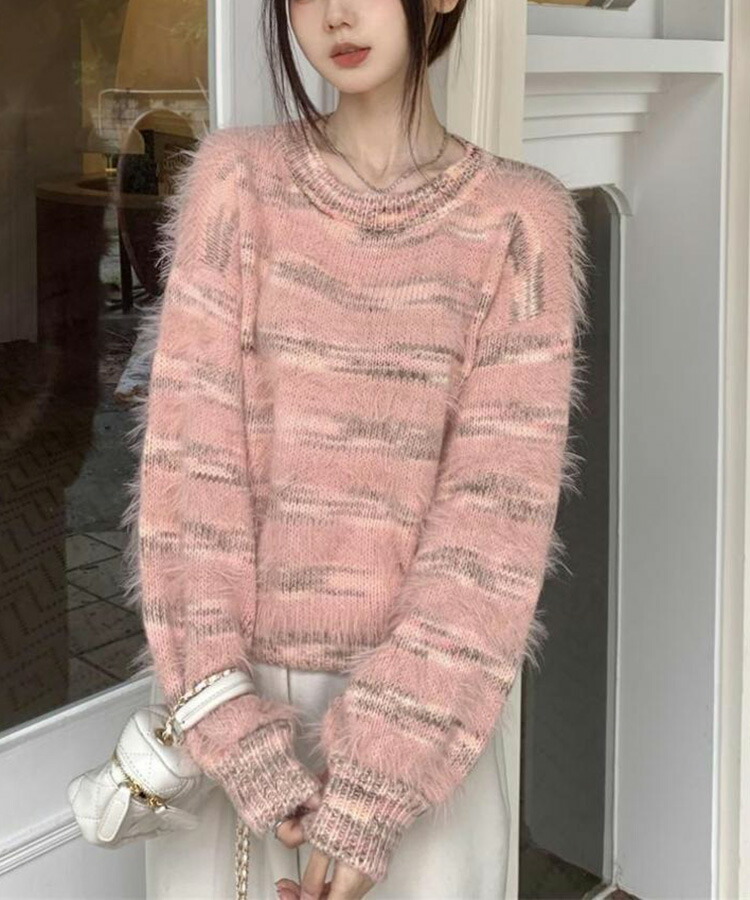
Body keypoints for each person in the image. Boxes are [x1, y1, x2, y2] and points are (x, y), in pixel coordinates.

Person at [124, 0, 591, 897]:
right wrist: (232, 728)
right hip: (232, 720)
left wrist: (379, 780)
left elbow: (494, 525)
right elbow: (189, 476)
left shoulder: (518, 221)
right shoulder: (236, 183)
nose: (336, 12)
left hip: (427, 738)